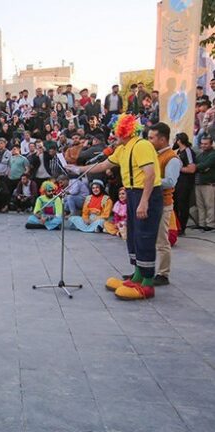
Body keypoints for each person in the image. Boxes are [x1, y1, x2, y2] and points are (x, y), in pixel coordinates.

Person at [71, 114, 163, 300]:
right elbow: (105, 164)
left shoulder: (142, 145)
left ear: (125, 131)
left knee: (144, 235)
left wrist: (144, 201)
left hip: (145, 194)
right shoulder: (124, 148)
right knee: (134, 235)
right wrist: (78, 169)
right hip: (131, 193)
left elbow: (150, 175)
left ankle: (147, 284)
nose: (114, 136)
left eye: (117, 132)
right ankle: (137, 276)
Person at [148, 123, 179, 286]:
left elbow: (170, 181)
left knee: (161, 240)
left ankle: (163, 273)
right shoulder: (154, 154)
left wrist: (148, 180)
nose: (149, 141)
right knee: (147, 239)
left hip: (163, 203)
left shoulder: (172, 158)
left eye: (151, 138)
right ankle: (145, 271)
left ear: (162, 139)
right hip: (151, 202)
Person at [194, 135, 215, 231]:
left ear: (211, 144)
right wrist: (201, 168)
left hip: (209, 184)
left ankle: (210, 224)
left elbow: (205, 165)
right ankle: (201, 223)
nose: (203, 146)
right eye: (202, 144)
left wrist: (199, 167)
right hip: (199, 183)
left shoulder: (213, 154)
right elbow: (199, 166)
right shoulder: (200, 155)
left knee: (209, 205)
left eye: (206, 144)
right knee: (200, 205)